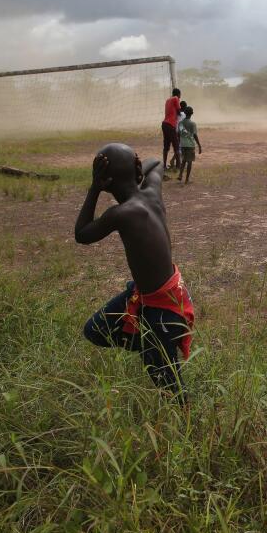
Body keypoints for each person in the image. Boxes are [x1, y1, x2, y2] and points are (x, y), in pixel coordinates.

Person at [76, 143, 194, 402]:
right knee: (95, 329)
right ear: (136, 169)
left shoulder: (121, 213)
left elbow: (81, 234)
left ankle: (158, 353)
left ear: (106, 181)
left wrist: (94, 188)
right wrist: (138, 166)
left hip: (162, 308)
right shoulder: (151, 191)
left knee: (172, 390)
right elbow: (157, 162)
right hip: (156, 295)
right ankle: (153, 349)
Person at [177, 106, 202, 184]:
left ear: (184, 113)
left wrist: (179, 142)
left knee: (183, 160)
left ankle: (180, 174)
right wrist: (199, 145)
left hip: (183, 144)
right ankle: (187, 179)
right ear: (192, 113)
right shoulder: (192, 124)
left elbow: (178, 134)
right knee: (189, 162)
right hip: (190, 145)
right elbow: (195, 135)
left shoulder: (180, 123)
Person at [161, 88, 182, 170]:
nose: (180, 97)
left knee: (166, 146)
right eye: (180, 95)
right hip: (170, 125)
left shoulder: (168, 100)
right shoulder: (176, 98)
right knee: (176, 145)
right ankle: (179, 166)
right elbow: (179, 111)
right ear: (178, 94)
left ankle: (164, 165)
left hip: (164, 124)